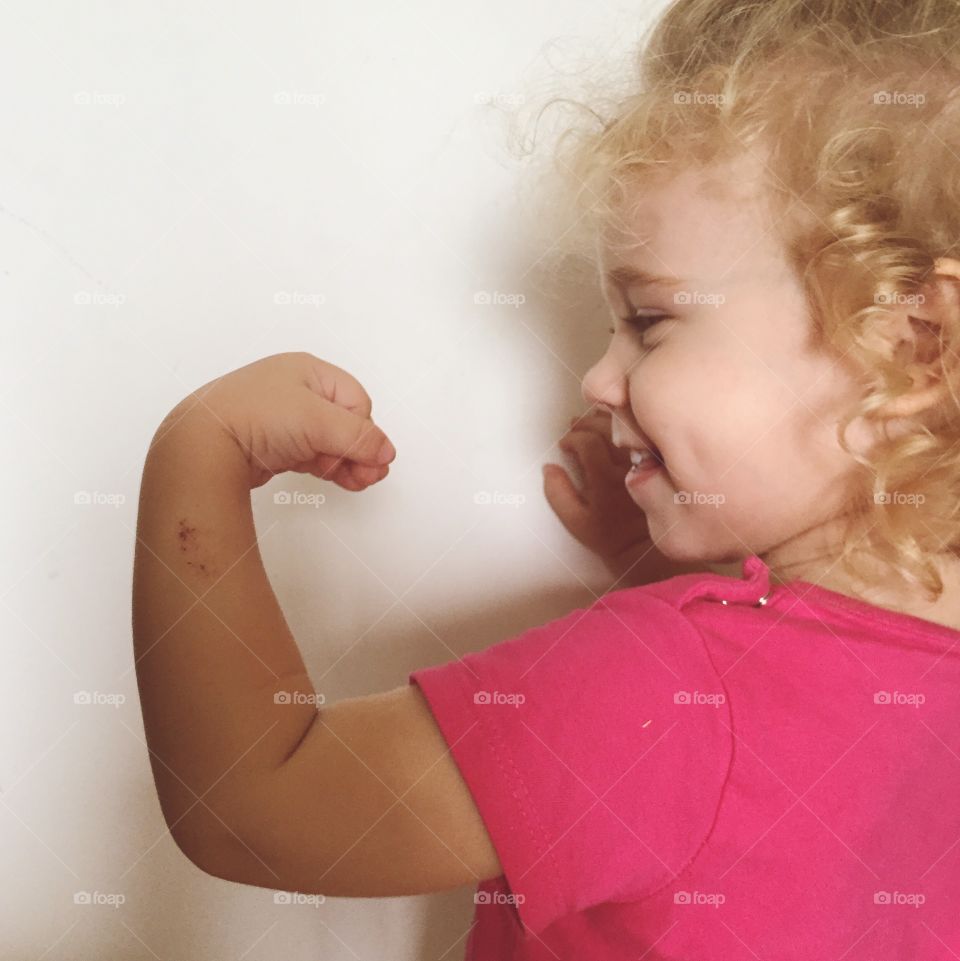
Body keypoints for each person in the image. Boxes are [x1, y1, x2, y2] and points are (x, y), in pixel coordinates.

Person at [131, 1, 960, 957]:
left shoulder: (672, 686)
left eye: (649, 321)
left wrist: (198, 456)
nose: (598, 377)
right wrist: (663, 567)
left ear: (914, 342)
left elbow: (255, 802)